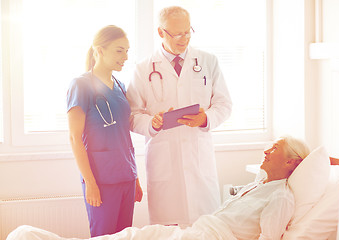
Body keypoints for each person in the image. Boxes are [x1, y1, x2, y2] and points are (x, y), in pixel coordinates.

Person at [7, 136, 310, 240]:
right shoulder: (258, 184)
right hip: (190, 232)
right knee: (130, 235)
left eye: (276, 148)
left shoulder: (280, 196)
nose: (267, 151)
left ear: (292, 164)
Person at [126, 6, 232, 226]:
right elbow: (132, 115)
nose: (184, 39)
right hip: (164, 159)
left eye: (187, 31)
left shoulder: (207, 61)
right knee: (168, 229)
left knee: (205, 227)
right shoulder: (143, 68)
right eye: (177, 34)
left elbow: (223, 104)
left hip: (198, 158)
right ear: (161, 32)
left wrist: (205, 119)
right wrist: (152, 123)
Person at [66, 25, 143, 237]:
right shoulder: (80, 85)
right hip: (101, 179)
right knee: (103, 235)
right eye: (119, 50)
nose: (125, 56)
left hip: (126, 177)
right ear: (99, 50)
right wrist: (90, 182)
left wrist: (135, 177)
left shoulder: (120, 85)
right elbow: (74, 138)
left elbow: (124, 136)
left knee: (124, 235)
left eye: (127, 50)